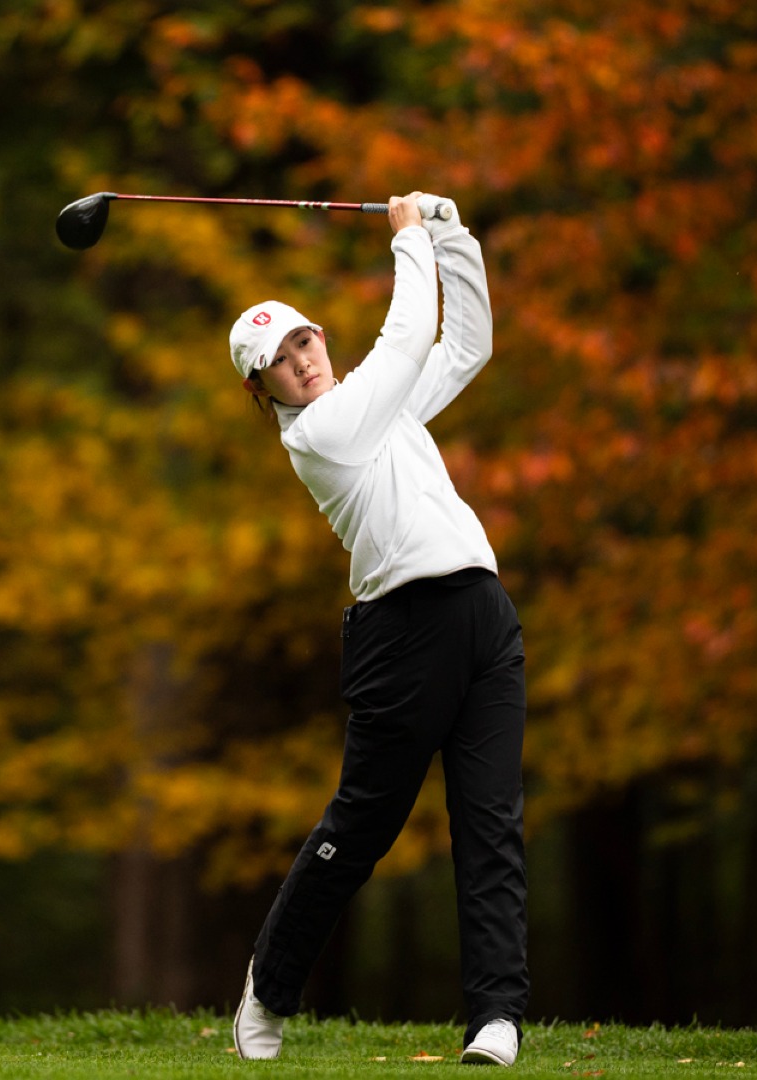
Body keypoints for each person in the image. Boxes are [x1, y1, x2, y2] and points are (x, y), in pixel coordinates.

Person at [226, 192, 527, 1065]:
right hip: (402, 636)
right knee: (362, 826)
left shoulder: (376, 405)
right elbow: (403, 347)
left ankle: (496, 1019)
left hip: (482, 617)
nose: (301, 362)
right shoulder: (321, 435)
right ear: (263, 389)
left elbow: (465, 346)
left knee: (490, 821)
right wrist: (408, 243)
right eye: (279, 361)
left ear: (322, 337)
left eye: (305, 341)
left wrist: (453, 235)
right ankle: (270, 986)